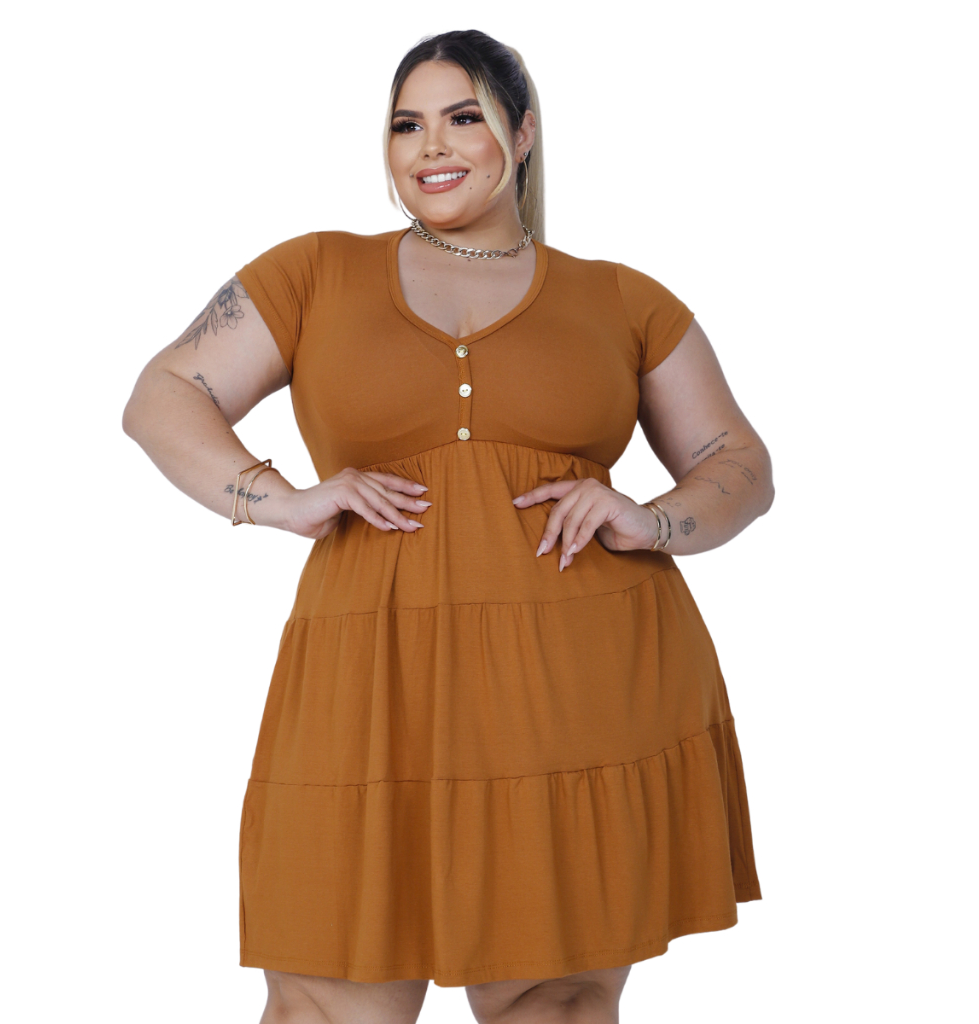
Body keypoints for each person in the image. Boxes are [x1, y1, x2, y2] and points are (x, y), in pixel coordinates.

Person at [122, 28, 774, 1024]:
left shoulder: (620, 297)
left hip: (577, 689)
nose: (430, 145)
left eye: (463, 117)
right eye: (406, 125)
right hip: (366, 683)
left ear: (522, 133)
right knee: (322, 999)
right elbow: (164, 394)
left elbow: (740, 464)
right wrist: (275, 496)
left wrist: (648, 518)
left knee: (553, 1001)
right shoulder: (313, 271)